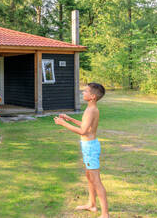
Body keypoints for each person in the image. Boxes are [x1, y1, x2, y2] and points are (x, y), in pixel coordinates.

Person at [54, 83, 109, 218]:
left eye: (85, 91)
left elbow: (83, 131)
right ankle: (92, 205)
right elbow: (86, 126)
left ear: (93, 97)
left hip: (90, 147)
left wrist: (63, 124)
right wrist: (70, 119)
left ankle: (105, 214)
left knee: (96, 180)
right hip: (88, 146)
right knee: (89, 177)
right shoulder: (91, 108)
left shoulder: (91, 110)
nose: (82, 93)